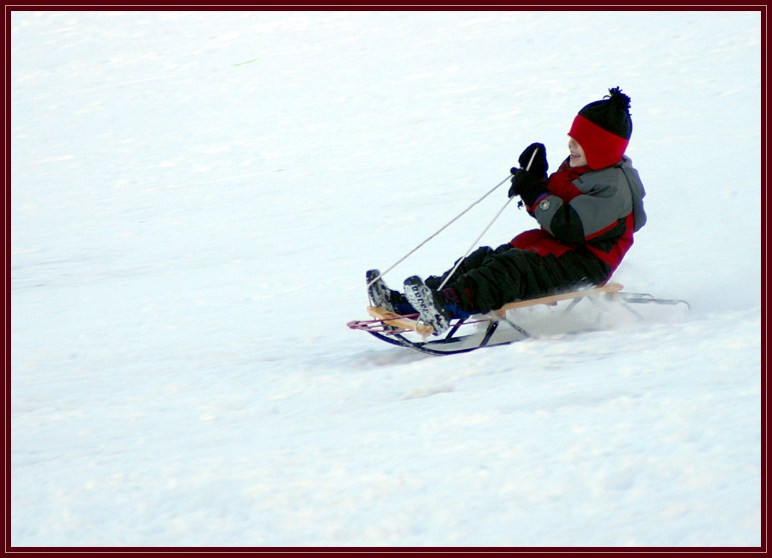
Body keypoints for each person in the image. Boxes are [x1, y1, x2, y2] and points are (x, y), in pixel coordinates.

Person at [368, 87, 647, 335]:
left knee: (508, 270)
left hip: (583, 264)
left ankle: (445, 307)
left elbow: (567, 225)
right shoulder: (584, 169)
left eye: (579, 141)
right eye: (571, 139)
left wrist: (535, 192)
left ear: (601, 148)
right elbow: (552, 207)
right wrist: (535, 180)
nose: (570, 145)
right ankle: (408, 303)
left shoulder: (615, 189)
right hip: (556, 252)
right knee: (482, 258)